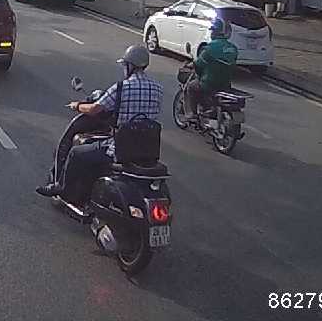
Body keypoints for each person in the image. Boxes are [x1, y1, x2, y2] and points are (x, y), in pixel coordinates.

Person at [37, 44, 162, 204]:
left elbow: (95, 109)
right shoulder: (158, 89)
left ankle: (62, 189)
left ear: (130, 66)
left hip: (120, 148)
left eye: (125, 65)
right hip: (147, 149)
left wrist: (77, 106)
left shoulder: (121, 88)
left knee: (76, 153)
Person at [185, 17, 239, 124]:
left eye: (212, 31)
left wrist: (190, 65)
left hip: (209, 83)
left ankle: (193, 114)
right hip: (225, 85)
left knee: (191, 87)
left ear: (215, 32)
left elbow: (198, 65)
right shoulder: (233, 48)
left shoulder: (209, 48)